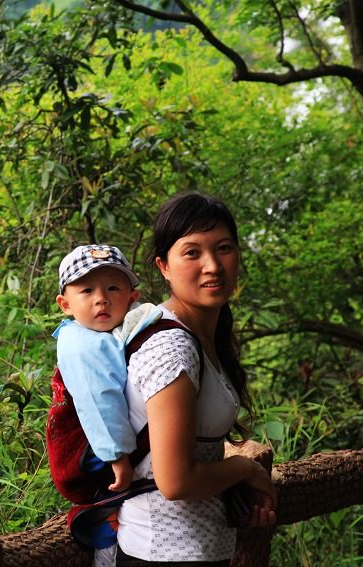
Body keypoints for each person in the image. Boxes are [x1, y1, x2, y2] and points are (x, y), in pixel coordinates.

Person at [115, 192, 276, 566]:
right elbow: (176, 481)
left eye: (223, 248)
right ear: (163, 266)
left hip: (194, 548)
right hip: (162, 552)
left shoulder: (200, 334)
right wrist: (246, 469)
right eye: (192, 252)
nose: (212, 266)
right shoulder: (171, 345)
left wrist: (235, 491)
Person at [53, 244, 163, 567]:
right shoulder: (82, 344)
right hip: (91, 449)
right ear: (65, 304)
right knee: (114, 508)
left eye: (113, 288)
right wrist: (117, 457)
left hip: (101, 442)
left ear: (132, 295)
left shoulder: (107, 334)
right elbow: (100, 402)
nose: (101, 298)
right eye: (86, 290)